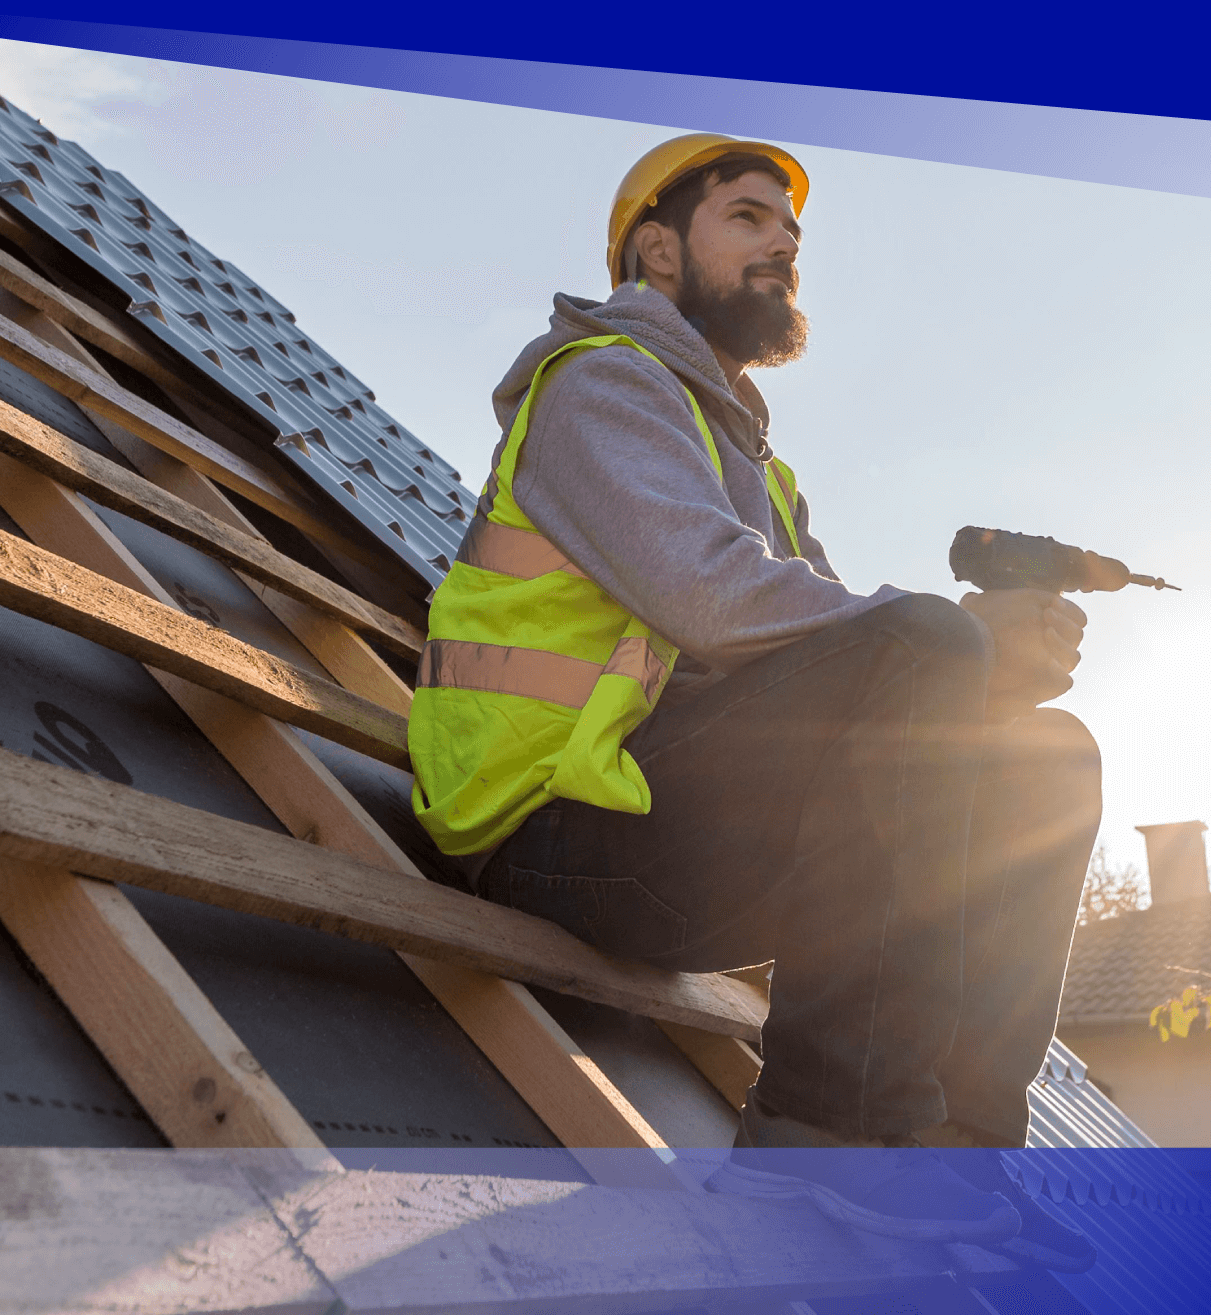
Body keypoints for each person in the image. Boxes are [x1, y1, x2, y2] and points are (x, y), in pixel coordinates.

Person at [406, 135, 1102, 1266]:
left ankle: (951, 1145)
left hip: (669, 834)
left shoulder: (766, 472)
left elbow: (849, 673)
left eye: (792, 231)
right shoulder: (599, 382)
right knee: (927, 638)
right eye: (746, 217)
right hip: (545, 829)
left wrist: (988, 677)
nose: (783, 242)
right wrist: (952, 644)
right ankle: (824, 1129)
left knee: (1051, 756)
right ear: (656, 250)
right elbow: (714, 599)